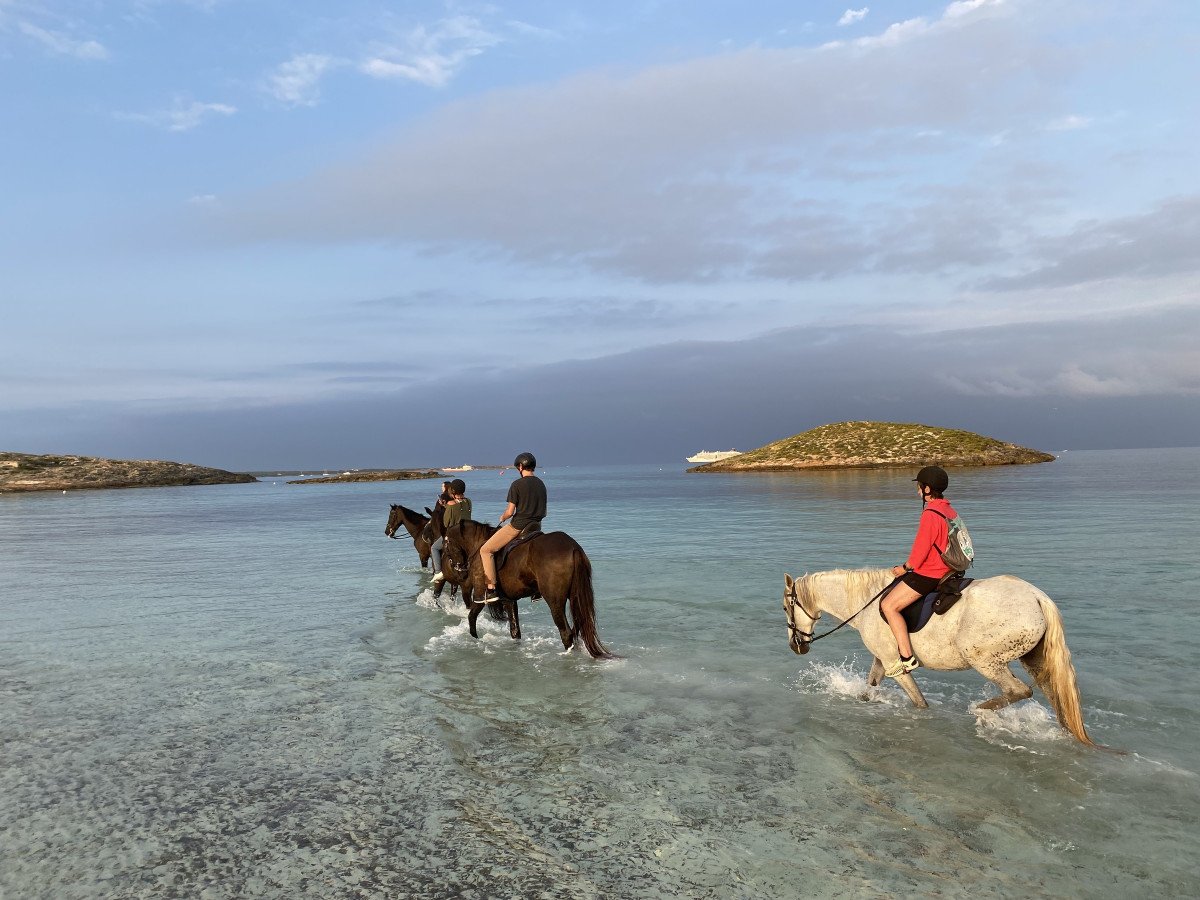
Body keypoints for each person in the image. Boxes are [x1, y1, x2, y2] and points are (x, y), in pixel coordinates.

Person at [880, 465, 958, 678]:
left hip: (931, 573)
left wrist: (904, 568)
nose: (917, 490)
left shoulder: (930, 513)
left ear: (927, 489)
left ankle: (907, 658)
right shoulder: (949, 510)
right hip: (949, 570)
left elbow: (920, 551)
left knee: (889, 606)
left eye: (920, 486)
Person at [479, 452, 546, 603]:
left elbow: (510, 512)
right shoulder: (541, 483)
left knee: (486, 550)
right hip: (536, 527)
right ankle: (537, 590)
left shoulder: (517, 484)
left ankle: (491, 589)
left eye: (518, 467)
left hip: (518, 526)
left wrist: (503, 517)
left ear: (521, 466)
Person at [429, 481, 453, 581]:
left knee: (433, 547)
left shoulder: (443, 497)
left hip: (448, 529)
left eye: (442, 486)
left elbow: (438, 512)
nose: (441, 487)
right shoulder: (459, 500)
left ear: (446, 487)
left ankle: (438, 571)